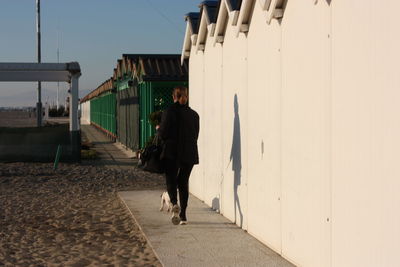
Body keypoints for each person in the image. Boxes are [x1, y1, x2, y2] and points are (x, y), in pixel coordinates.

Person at [158, 86, 199, 225]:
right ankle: (184, 215)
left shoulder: (169, 112)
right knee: (183, 182)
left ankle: (174, 203)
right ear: (186, 96)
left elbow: (163, 134)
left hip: (172, 152)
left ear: (173, 96)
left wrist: (159, 130)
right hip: (189, 152)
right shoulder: (194, 115)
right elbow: (196, 135)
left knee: (171, 179)